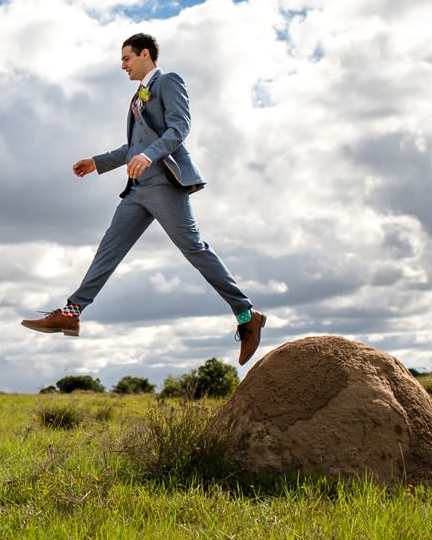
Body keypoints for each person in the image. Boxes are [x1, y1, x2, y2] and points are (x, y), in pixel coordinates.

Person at [21, 32, 267, 364]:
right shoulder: (138, 97)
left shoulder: (168, 82)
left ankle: (245, 313)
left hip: (164, 183)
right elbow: (134, 147)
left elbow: (179, 128)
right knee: (110, 247)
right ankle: (71, 311)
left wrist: (150, 156)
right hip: (137, 191)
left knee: (194, 249)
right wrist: (99, 162)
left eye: (126, 58)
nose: (122, 65)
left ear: (145, 55)